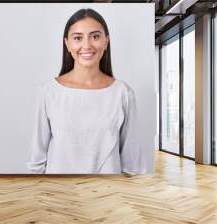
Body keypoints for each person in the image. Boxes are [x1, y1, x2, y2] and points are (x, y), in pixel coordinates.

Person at [26, 8, 147, 175]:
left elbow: (132, 163)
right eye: (77, 38)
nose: (87, 45)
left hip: (108, 195)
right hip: (58, 195)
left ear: (106, 41)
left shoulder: (123, 93)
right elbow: (37, 159)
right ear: (67, 43)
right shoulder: (48, 92)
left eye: (95, 36)